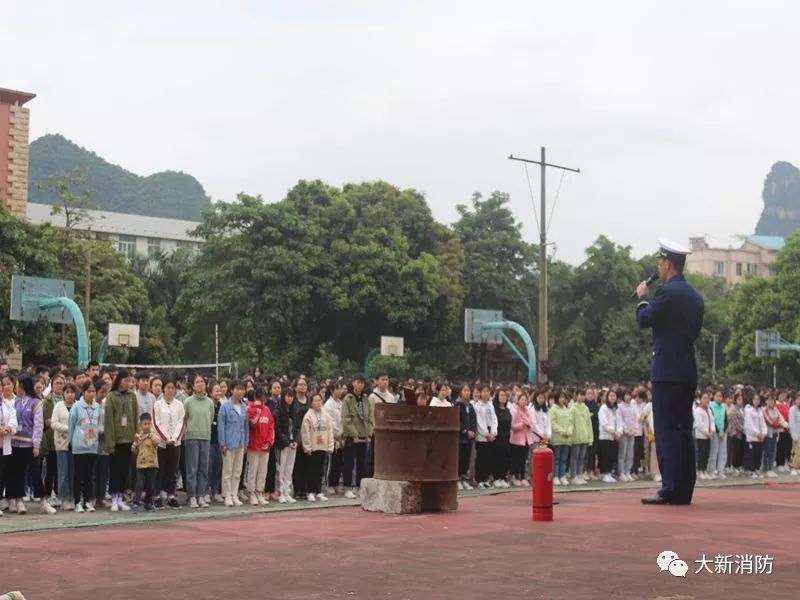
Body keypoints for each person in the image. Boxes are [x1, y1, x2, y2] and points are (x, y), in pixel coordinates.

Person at [636, 239, 704, 505]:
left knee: (666, 430)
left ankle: (670, 488)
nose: (658, 266)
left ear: (667, 264)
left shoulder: (665, 293)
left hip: (666, 370)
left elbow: (644, 319)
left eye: (660, 262)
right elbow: (694, 332)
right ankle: (684, 488)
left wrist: (643, 298)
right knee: (684, 429)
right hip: (687, 369)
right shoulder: (695, 296)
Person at [9, 374, 54, 514]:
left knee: (35, 472)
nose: (16, 387)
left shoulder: (36, 403)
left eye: (17, 384)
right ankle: (19, 501)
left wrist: (36, 445)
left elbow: (38, 426)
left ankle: (43, 501)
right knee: (17, 473)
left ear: (22, 385)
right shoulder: (15, 402)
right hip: (15, 443)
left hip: (29, 444)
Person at [105, 369, 138, 512]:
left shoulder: (132, 396)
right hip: (116, 439)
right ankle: (114, 497)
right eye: (126, 380)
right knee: (115, 470)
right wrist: (110, 443)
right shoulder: (111, 396)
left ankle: (121, 498)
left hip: (128, 439)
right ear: (119, 380)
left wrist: (135, 435)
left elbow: (135, 416)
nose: (129, 383)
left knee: (125, 470)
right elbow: (109, 421)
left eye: (130, 380)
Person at [152, 378, 185, 509]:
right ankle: (157, 495)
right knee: (160, 469)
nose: (170, 391)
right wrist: (166, 438)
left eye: (173, 388)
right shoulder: (158, 404)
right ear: (164, 389)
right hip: (161, 443)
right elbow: (156, 422)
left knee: (173, 470)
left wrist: (175, 438)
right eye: (168, 388)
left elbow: (181, 422)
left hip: (175, 443)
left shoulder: (179, 405)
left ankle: (171, 495)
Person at [183, 374, 215, 508]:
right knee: (192, 468)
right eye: (197, 382)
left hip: (205, 437)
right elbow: (185, 419)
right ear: (193, 385)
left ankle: (201, 495)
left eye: (202, 381)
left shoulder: (210, 402)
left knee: (203, 469)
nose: (200, 384)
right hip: (191, 438)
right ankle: (191, 496)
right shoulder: (188, 402)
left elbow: (211, 417)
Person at [69, 380, 100, 512]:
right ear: (83, 392)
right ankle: (77, 501)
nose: (91, 394)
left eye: (93, 391)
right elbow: (71, 425)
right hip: (79, 446)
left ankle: (87, 501)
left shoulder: (97, 406)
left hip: (92, 446)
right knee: (79, 475)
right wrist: (72, 442)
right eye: (89, 391)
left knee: (89, 476)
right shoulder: (76, 407)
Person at [218, 379, 249, 506]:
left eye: (242, 389)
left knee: (237, 471)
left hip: (240, 443)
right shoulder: (225, 406)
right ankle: (227, 495)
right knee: (227, 471)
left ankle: (234, 494)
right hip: (229, 443)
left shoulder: (243, 406)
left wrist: (246, 442)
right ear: (232, 390)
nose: (241, 391)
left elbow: (246, 426)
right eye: (238, 389)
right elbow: (221, 426)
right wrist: (222, 443)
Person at [341, 377, 373, 499]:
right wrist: (354, 435)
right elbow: (346, 419)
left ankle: (360, 487)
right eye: (357, 382)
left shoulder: (365, 399)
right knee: (349, 462)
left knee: (362, 463)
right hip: (352, 436)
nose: (359, 385)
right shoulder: (348, 399)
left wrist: (369, 434)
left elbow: (370, 418)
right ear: (353, 383)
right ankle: (348, 487)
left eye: (362, 383)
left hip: (364, 435)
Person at [301, 393, 334, 502]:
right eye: (315, 400)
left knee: (320, 470)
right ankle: (310, 491)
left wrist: (330, 446)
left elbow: (330, 430)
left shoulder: (326, 415)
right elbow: (305, 433)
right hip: (313, 447)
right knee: (311, 470)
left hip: (323, 446)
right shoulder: (308, 415)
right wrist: (307, 447)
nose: (318, 402)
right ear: (311, 402)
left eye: (319, 400)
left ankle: (318, 491)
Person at [245, 386, 274, 505]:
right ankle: (251, 493)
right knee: (252, 471)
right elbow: (252, 425)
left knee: (262, 471)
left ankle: (259, 492)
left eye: (264, 395)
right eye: (260, 395)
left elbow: (271, 427)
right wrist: (256, 411)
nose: (262, 397)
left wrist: (268, 442)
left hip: (264, 447)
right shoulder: (249, 409)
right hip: (253, 446)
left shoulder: (267, 410)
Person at [50, 382, 77, 510]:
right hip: (62, 444)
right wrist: (67, 429)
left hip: (76, 445)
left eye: (72, 392)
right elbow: (53, 423)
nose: (70, 395)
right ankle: (64, 498)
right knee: (63, 472)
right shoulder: (58, 406)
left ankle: (72, 496)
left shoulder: (78, 406)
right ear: (63, 394)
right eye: (67, 392)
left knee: (73, 472)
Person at [131, 413, 160, 513]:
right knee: (139, 484)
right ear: (141, 425)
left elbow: (157, 441)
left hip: (152, 465)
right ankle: (136, 502)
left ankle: (149, 502)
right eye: (145, 424)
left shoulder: (153, 435)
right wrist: (136, 443)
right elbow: (134, 450)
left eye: (149, 424)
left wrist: (153, 437)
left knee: (151, 486)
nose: (147, 426)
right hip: (141, 465)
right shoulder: (139, 437)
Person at [275, 388, 299, 503]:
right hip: (283, 445)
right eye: (288, 396)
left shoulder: (294, 410)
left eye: (291, 396)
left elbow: (297, 427)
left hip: (292, 444)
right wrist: (287, 442)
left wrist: (295, 441)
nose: (290, 398)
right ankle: (280, 492)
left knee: (289, 469)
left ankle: (287, 492)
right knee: (281, 468)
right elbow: (278, 430)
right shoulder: (278, 411)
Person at [0, 378, 19, 517]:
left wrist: (8, 428)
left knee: (5, 473)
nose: (5, 387)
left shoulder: (10, 404)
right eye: (3, 385)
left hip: (7, 443)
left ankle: (9, 498)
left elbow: (14, 418)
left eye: (8, 384)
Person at [323, 381, 345, 495]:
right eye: (338, 389)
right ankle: (328, 484)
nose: (340, 391)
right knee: (331, 462)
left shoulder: (341, 403)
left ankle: (336, 483)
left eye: (341, 389)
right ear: (332, 391)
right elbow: (330, 422)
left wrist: (343, 435)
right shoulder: (328, 404)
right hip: (333, 437)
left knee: (338, 462)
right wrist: (337, 435)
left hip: (341, 437)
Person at [598, 389, 622, 483]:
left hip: (614, 437)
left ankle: (609, 473)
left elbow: (620, 422)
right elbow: (604, 423)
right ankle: (604, 473)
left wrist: (619, 432)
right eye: (610, 396)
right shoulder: (603, 408)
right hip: (606, 436)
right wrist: (613, 431)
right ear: (607, 397)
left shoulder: (617, 409)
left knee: (612, 455)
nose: (612, 398)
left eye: (614, 396)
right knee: (605, 456)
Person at [569, 389, 593, 485]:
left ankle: (579, 474)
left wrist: (590, 437)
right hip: (576, 436)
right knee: (575, 457)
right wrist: (571, 436)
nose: (581, 397)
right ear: (576, 396)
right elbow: (571, 423)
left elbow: (588, 424)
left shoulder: (586, 408)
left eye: (583, 395)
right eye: (580, 395)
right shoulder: (573, 408)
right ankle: (574, 476)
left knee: (582, 457)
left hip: (584, 436)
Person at [550, 390, 573, 486]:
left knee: (564, 459)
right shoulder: (553, 409)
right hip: (557, 438)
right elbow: (553, 423)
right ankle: (555, 476)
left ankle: (562, 475)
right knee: (556, 459)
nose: (562, 399)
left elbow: (571, 422)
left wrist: (569, 431)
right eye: (560, 397)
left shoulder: (567, 410)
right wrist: (562, 431)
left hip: (566, 439)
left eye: (564, 397)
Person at [456, 384, 477, 490]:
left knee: (467, 459)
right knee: (460, 458)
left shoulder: (470, 405)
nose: (467, 392)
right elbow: (457, 420)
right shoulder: (458, 404)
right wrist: (465, 431)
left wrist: (473, 430)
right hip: (461, 437)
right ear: (461, 392)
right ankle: (458, 479)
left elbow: (473, 419)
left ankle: (464, 478)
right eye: (465, 390)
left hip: (469, 438)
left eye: (469, 390)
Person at [509, 393, 532, 487]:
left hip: (526, 439)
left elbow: (532, 423)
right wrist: (522, 424)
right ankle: (515, 476)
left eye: (525, 400)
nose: (523, 401)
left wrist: (529, 423)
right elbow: (512, 426)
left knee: (523, 459)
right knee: (516, 459)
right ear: (518, 401)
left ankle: (523, 476)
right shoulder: (514, 411)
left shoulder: (528, 411)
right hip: (517, 439)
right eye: (521, 399)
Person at [743, 394, 767, 478]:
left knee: (758, 453)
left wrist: (763, 433)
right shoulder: (749, 410)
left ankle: (757, 469)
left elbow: (763, 423)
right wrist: (757, 433)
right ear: (752, 400)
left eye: (758, 399)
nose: (756, 401)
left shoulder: (760, 410)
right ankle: (750, 470)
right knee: (751, 454)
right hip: (752, 436)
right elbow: (749, 424)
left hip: (760, 437)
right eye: (755, 399)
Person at [707, 390, 728, 479]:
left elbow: (726, 420)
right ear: (714, 397)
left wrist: (723, 430)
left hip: (723, 432)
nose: (719, 398)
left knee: (723, 452)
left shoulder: (723, 407)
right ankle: (711, 470)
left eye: (720, 396)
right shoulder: (711, 406)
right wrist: (718, 431)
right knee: (714, 451)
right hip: (715, 432)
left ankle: (720, 470)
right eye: (717, 396)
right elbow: (713, 420)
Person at [693, 393, 714, 480]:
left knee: (706, 453)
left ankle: (704, 470)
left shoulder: (709, 410)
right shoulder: (698, 410)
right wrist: (706, 432)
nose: (706, 400)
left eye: (708, 398)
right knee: (701, 453)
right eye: (704, 398)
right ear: (700, 399)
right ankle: (700, 470)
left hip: (708, 435)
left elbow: (712, 420)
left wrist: (712, 430)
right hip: (701, 435)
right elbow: (699, 424)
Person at [789, 394, 800, 476]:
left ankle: (798, 467)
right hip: (796, 434)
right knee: (796, 452)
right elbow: (792, 423)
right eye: (798, 399)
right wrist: (795, 436)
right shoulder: (792, 409)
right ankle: (793, 467)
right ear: (795, 400)